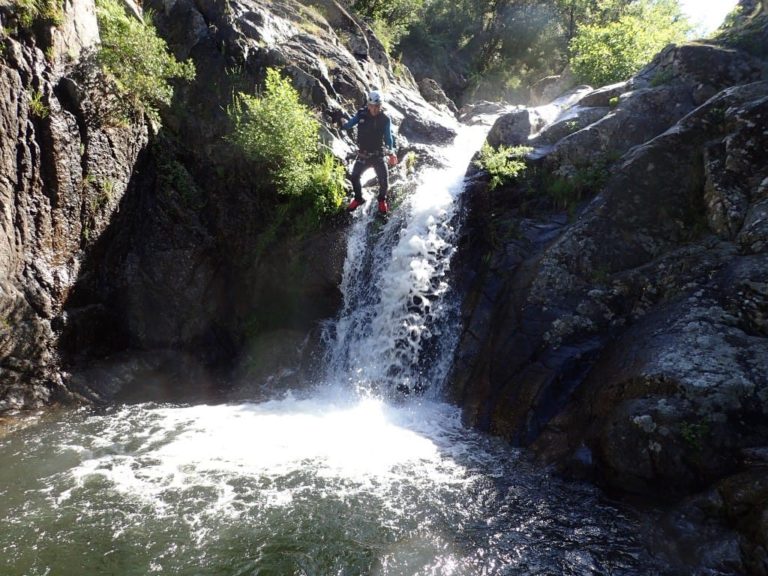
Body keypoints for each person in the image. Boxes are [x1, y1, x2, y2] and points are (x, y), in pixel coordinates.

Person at [339, 90, 398, 215]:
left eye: (377, 106)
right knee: (354, 176)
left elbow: (388, 138)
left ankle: (382, 200)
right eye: (372, 106)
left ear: (380, 105)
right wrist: (341, 125)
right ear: (368, 105)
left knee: (384, 181)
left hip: (378, 154)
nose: (374, 109)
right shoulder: (361, 115)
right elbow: (350, 124)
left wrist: (392, 152)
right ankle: (358, 199)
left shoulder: (385, 119)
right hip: (363, 153)